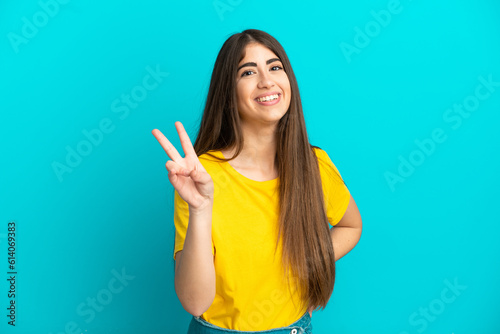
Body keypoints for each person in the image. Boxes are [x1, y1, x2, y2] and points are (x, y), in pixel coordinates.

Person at [152, 29, 362, 333]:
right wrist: (199, 208)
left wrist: (307, 267)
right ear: (228, 91)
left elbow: (351, 226)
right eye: (248, 72)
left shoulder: (314, 165)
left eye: (275, 67)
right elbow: (195, 302)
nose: (267, 80)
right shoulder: (200, 176)